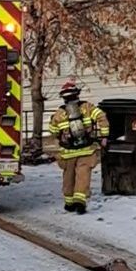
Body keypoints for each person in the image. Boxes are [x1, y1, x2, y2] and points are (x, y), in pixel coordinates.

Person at [48, 80, 109, 214]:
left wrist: (60, 136)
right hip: (86, 150)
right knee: (83, 175)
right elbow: (102, 117)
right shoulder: (87, 108)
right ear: (77, 94)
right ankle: (80, 202)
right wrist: (104, 136)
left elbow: (52, 130)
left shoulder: (59, 113)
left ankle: (69, 203)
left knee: (68, 177)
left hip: (68, 152)